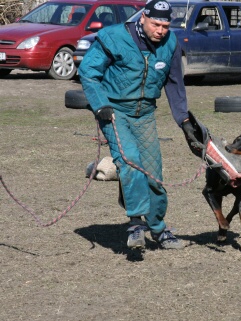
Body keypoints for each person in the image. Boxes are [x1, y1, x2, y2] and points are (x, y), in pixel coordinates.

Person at [78, 0, 203, 250]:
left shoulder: (170, 43)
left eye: (166, 26)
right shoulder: (113, 38)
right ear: (143, 18)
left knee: (154, 174)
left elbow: (175, 85)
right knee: (131, 161)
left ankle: (158, 228)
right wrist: (101, 104)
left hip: (145, 114)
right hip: (114, 113)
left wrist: (185, 122)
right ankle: (136, 225)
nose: (161, 31)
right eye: (156, 24)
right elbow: (88, 72)